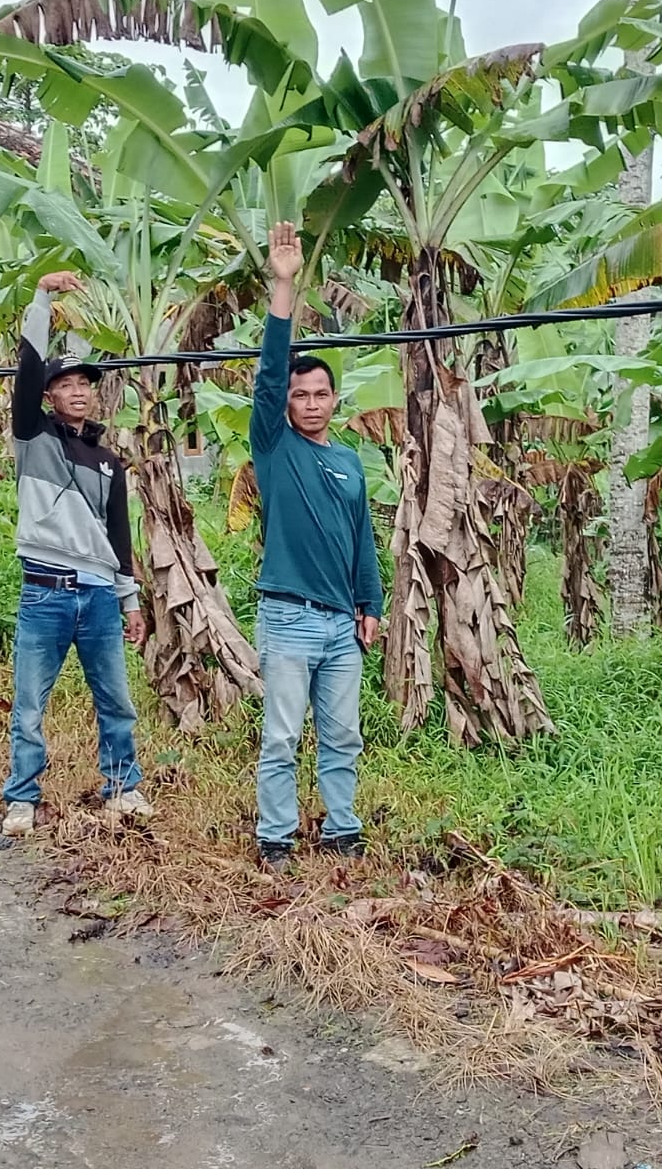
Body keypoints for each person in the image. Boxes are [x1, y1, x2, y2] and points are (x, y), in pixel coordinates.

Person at [251, 222, 384, 872]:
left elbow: (363, 542)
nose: (307, 402)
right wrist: (284, 286)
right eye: (299, 395)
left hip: (340, 626)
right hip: (287, 616)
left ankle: (343, 828)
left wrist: (371, 604)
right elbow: (270, 375)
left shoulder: (352, 464)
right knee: (281, 736)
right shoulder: (274, 448)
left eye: (319, 393)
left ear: (335, 400)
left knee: (342, 735)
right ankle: (275, 838)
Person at [1, 270, 151, 838]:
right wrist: (41, 296)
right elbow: (28, 364)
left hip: (98, 595)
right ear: (49, 395)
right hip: (44, 591)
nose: (79, 390)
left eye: (86, 383)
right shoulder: (31, 438)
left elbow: (120, 540)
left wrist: (130, 602)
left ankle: (123, 789)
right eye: (66, 384)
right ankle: (22, 799)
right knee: (30, 706)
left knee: (115, 700)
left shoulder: (110, 462)